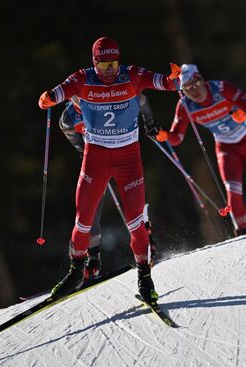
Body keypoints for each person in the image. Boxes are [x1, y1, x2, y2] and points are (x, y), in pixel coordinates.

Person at [38, 37, 179, 304]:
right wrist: (47, 98)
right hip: (96, 158)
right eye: (104, 66)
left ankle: (145, 278)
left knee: (136, 222)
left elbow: (165, 83)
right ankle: (76, 271)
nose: (110, 71)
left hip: (129, 160)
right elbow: (58, 93)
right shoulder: (82, 79)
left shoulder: (132, 75)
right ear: (94, 62)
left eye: (114, 64)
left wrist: (175, 78)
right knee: (83, 220)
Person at [166, 64, 246, 237]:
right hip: (226, 147)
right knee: (233, 193)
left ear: (201, 80)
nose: (193, 91)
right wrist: (162, 135)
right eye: (186, 89)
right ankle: (242, 232)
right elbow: (176, 137)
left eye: (195, 84)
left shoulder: (221, 89)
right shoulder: (185, 105)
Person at [58, 94, 160, 279]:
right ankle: (92, 257)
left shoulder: (109, 100)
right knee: (91, 207)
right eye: (77, 99)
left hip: (125, 156)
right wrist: (83, 150)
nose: (82, 102)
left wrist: (150, 122)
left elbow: (142, 100)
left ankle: (148, 241)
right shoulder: (68, 117)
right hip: (98, 160)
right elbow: (69, 132)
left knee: (135, 199)